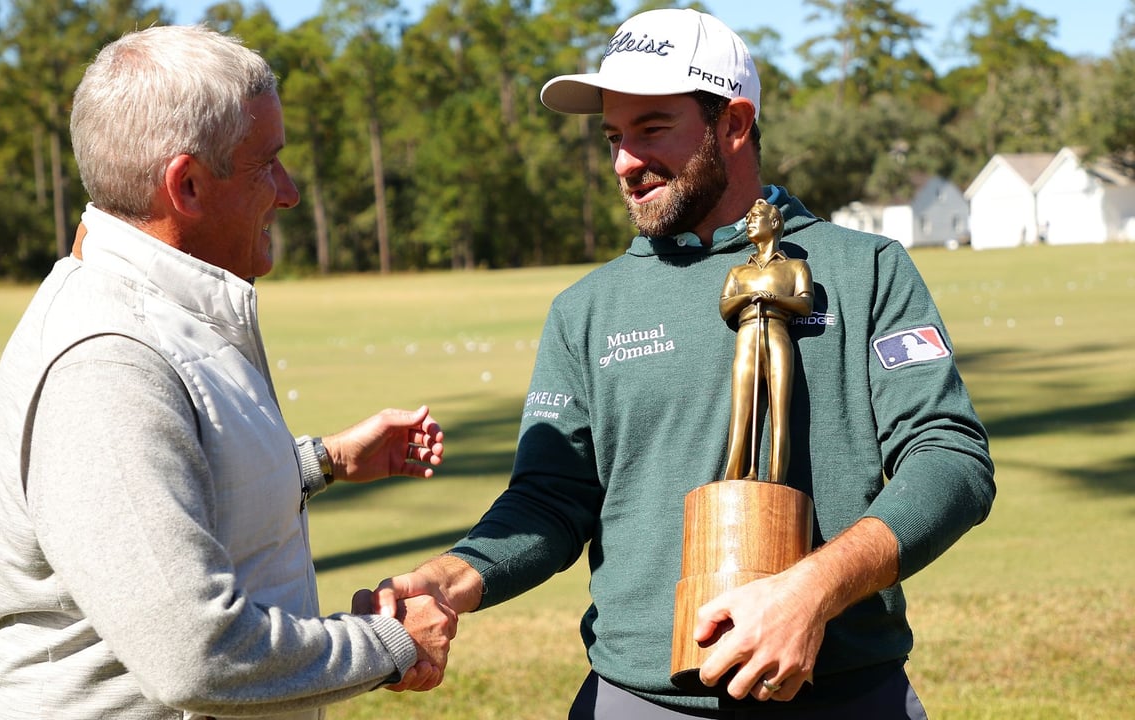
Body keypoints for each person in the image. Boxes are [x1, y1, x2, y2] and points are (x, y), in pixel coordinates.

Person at [357, 8, 995, 719]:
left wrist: (812, 592)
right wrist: (453, 579)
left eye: (652, 128)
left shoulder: (867, 269)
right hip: (638, 701)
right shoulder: (586, 309)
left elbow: (950, 460)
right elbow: (551, 500)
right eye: (613, 135)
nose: (625, 161)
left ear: (735, 124)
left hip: (849, 695)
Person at [0, 24, 454, 720]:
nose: (288, 192)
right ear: (189, 184)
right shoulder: (109, 359)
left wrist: (321, 461)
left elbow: (166, 497)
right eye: (269, 163)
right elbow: (196, 655)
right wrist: (390, 644)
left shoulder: (167, 313)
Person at [719, 198, 813, 484]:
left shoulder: (796, 267)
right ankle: (734, 479)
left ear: (774, 223)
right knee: (741, 411)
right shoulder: (738, 272)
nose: (749, 221)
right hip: (747, 333)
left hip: (777, 333)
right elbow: (725, 307)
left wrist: (775, 299)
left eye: (755, 216)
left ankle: (776, 482)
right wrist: (748, 297)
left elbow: (805, 304)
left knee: (779, 413)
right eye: (748, 217)